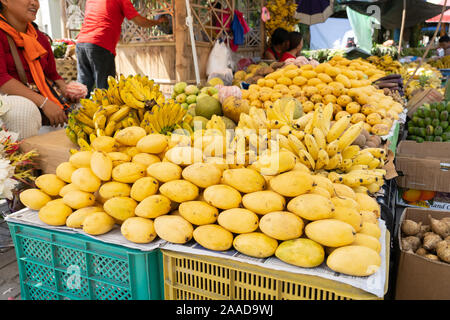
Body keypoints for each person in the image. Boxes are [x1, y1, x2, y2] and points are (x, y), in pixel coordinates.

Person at [0, 0, 82, 139]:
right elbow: (2, 78)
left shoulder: (39, 37)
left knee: (83, 108)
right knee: (24, 110)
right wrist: (43, 102)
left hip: (39, 94)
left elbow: (52, 74)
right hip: (8, 98)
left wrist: (66, 90)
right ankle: (22, 158)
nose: (34, 3)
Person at [76, 0, 168, 96]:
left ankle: (77, 110)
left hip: (81, 43)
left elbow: (100, 18)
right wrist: (158, 21)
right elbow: (140, 21)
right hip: (100, 44)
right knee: (105, 90)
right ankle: (104, 110)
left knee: (83, 86)